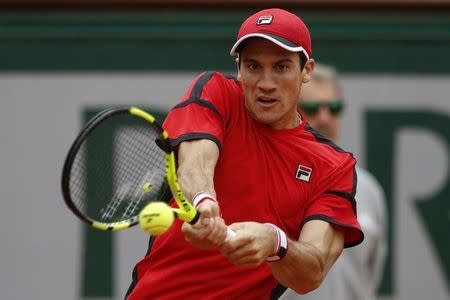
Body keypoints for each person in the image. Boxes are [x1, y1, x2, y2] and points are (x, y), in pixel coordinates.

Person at [126, 9, 363, 299]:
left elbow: (312, 271)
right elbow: (195, 160)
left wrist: (275, 242)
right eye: (253, 67)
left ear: (307, 71)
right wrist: (203, 200)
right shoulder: (218, 92)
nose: (266, 83)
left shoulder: (334, 166)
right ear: (239, 68)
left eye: (281, 67)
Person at [280, 64, 387, 300]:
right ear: (293, 111)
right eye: (312, 108)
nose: (325, 117)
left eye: (334, 108)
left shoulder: (368, 189)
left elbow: (372, 272)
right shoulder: (271, 178)